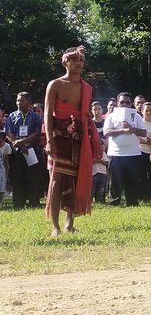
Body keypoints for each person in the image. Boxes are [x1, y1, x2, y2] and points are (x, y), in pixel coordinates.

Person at [43, 46, 102, 236]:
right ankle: (55, 226)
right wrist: (49, 140)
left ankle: (69, 223)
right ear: (65, 62)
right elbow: (47, 114)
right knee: (55, 180)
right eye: (74, 59)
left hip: (78, 139)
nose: (78, 63)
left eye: (81, 60)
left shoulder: (86, 88)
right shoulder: (55, 84)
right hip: (58, 138)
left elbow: (83, 114)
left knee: (76, 180)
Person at [104, 92, 147, 206]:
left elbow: (144, 133)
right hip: (116, 154)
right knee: (115, 181)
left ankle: (132, 202)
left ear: (131, 104)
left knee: (132, 180)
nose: (124, 104)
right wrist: (123, 131)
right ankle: (114, 202)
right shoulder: (111, 116)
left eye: (127, 102)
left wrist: (132, 129)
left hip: (133, 154)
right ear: (117, 103)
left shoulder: (137, 116)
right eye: (122, 102)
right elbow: (107, 132)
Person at [5, 92, 45, 208]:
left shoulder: (35, 117)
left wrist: (23, 142)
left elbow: (37, 133)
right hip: (17, 152)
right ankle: (18, 202)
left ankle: (33, 201)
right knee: (17, 176)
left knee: (33, 176)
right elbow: (8, 133)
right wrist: (19, 145)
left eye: (22, 101)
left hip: (32, 150)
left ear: (29, 102)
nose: (18, 103)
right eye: (17, 100)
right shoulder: (12, 116)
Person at [0, 133, 11, 198]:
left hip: (2, 167)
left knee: (2, 183)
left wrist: (7, 171)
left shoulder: (7, 146)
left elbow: (6, 160)